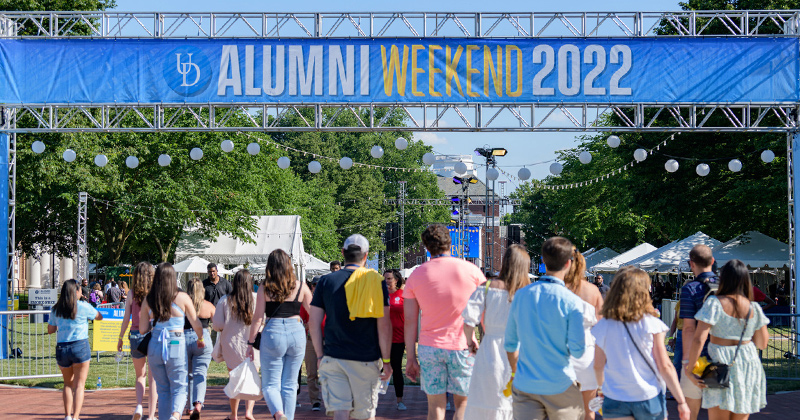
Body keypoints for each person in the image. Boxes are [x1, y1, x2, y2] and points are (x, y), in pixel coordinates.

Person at [404, 224, 484, 420]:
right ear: (450, 242)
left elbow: (410, 320)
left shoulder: (416, 275)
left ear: (426, 246)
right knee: (464, 403)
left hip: (430, 347)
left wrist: (411, 358)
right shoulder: (471, 271)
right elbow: (485, 314)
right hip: (464, 346)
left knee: (435, 406)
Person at [309, 234, 393, 420]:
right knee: (364, 414)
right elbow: (384, 325)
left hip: (333, 356)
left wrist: (320, 355)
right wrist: (386, 361)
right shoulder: (376, 281)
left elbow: (313, 322)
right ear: (366, 255)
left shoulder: (325, 281)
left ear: (343, 253)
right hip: (365, 357)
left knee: (340, 412)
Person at [592, 266, 690, 420]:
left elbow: (598, 365)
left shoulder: (604, 324)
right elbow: (665, 366)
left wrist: (601, 389)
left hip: (615, 396)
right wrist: (681, 401)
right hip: (648, 396)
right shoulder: (651, 323)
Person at [504, 236, 586, 420]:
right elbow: (578, 351)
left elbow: (510, 344)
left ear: (542, 260)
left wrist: (516, 372)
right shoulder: (572, 302)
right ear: (568, 263)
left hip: (526, 384)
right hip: (560, 383)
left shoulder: (521, 296)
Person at [685, 259, 770, 418]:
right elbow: (762, 343)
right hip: (748, 365)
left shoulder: (714, 304)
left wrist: (690, 370)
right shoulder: (754, 308)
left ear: (723, 279)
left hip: (721, 367)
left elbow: (698, 339)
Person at [462, 244, 530, 420]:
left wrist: (471, 343)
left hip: (490, 349)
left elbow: (469, 321)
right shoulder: (529, 292)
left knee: (487, 400)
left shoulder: (487, 287)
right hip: (521, 351)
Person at [246, 249, 312, 420]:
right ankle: (287, 417)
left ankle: (279, 413)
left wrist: (250, 343)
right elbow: (314, 311)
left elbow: (258, 318)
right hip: (297, 330)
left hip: (273, 330)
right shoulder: (301, 286)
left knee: (270, 384)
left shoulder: (265, 288)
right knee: (290, 384)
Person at [139, 263, 205, 420]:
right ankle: (175, 415)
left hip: (155, 343)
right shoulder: (182, 297)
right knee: (179, 386)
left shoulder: (149, 300)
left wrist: (155, 321)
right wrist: (200, 338)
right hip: (175, 342)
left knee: (162, 390)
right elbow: (196, 323)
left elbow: (142, 329)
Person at [47, 279, 103, 420]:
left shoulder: (56, 309)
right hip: (80, 347)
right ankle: (76, 416)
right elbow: (99, 317)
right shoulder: (83, 306)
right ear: (76, 291)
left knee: (67, 384)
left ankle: (67, 416)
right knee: (79, 384)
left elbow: (50, 330)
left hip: (62, 347)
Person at [564, 249, 604, 420]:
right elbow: (603, 325)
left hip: (563, 352)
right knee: (589, 410)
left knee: (564, 411)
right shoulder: (593, 290)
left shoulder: (560, 289)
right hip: (588, 351)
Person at [214, 270, 259, 420]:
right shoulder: (256, 298)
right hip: (253, 345)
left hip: (231, 345)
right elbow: (263, 320)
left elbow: (217, 324)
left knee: (234, 380)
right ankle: (249, 412)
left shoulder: (225, 300)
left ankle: (234, 414)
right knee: (251, 379)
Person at [679, 244, 717, 420]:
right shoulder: (725, 286)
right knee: (719, 412)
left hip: (697, 356)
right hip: (720, 356)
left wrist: (687, 362)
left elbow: (688, 328)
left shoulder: (690, 288)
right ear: (712, 261)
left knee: (690, 412)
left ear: (691, 263)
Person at [118, 262, 158, 420]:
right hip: (151, 335)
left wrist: (120, 338)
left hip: (134, 335)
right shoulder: (154, 293)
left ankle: (139, 406)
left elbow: (126, 318)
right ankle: (151, 415)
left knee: (140, 376)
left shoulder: (131, 294)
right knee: (153, 378)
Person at [184, 277, 215, 420]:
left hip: (184, 338)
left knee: (188, 375)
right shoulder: (208, 306)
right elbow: (218, 324)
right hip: (203, 338)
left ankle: (189, 407)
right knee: (200, 374)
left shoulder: (182, 305)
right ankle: (198, 404)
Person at [384, 269, 407, 411]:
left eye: (389, 279)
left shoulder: (403, 295)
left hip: (398, 338)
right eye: (385, 278)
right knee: (377, 369)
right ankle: (370, 398)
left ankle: (400, 400)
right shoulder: (380, 296)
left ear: (396, 280)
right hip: (382, 338)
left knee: (396, 369)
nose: (387, 281)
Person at [300, 277, 323, 411]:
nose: (317, 287)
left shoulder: (330, 299)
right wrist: (307, 325)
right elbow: (301, 320)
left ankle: (331, 399)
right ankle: (315, 401)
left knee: (330, 372)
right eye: (314, 285)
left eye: (319, 285)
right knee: (311, 373)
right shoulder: (307, 301)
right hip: (311, 339)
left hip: (328, 339)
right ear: (312, 287)